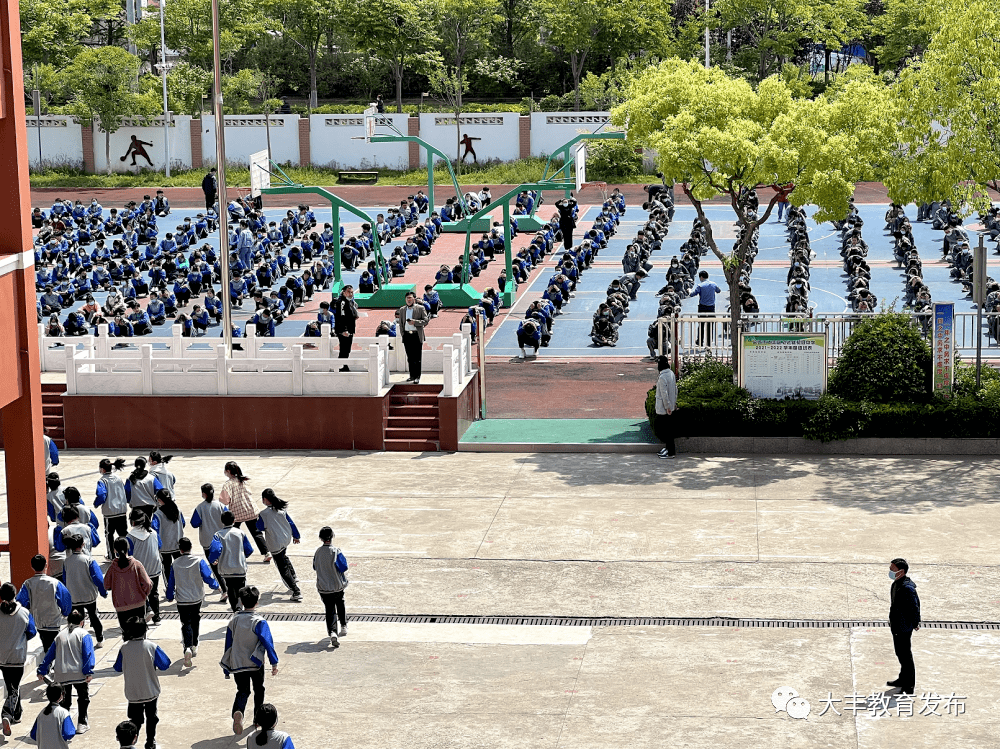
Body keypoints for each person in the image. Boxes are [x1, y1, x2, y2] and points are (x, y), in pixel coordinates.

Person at [221, 586, 279, 736]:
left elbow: (228, 645)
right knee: (259, 690)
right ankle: (257, 719)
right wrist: (274, 662)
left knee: (243, 690)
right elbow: (268, 642)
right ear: (257, 602)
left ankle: (238, 712)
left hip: (238, 663)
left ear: (241, 601)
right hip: (255, 663)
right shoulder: (259, 622)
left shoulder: (233, 621)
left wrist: (226, 666)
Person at [113, 617, 171, 749]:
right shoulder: (151, 646)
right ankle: (150, 742)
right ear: (145, 630)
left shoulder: (124, 648)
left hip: (133, 693)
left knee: (135, 721)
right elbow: (165, 664)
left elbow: (117, 667)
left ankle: (129, 743)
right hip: (150, 690)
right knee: (151, 718)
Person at [36, 610, 94, 734]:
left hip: (61, 674)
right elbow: (88, 654)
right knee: (83, 698)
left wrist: (42, 670)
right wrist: (88, 671)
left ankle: (64, 725)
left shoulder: (59, 635)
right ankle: (82, 723)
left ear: (68, 622)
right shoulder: (84, 634)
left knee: (64, 701)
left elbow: (49, 655)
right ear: (82, 622)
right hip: (79, 673)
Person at [166, 537, 219, 667]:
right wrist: (215, 585)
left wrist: (169, 596)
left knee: (186, 623)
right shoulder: (199, 561)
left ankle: (187, 647)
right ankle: (194, 644)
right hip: (196, 598)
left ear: (180, 549)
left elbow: (171, 582)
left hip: (182, 600)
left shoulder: (175, 564)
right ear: (191, 547)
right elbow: (207, 577)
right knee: (195, 620)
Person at [0, 583, 37, 734]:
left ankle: (17, 713)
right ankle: (6, 714)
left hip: (2, 657)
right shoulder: (24, 613)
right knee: (13, 688)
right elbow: (32, 632)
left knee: (12, 687)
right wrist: (20, 639)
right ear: (15, 594)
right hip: (18, 656)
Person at [17, 555, 72, 655]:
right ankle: (51, 664)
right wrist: (65, 612)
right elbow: (65, 599)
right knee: (53, 645)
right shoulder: (55, 583)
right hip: (54, 620)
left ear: (32, 567)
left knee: (46, 643)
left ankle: (49, 664)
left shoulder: (28, 584)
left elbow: (21, 602)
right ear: (46, 565)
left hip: (38, 620)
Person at [255, 490, 302, 603]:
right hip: (285, 539)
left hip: (275, 543)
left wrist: (256, 519)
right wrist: (296, 536)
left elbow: (260, 527)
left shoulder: (263, 514)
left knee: (282, 568)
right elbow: (291, 523)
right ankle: (294, 575)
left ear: (265, 500)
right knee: (283, 556)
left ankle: (296, 591)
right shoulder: (282, 509)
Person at [61, 535, 106, 646]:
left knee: (76, 620)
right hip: (89, 595)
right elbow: (98, 578)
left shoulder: (66, 561)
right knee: (93, 617)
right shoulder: (89, 560)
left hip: (74, 596)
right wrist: (103, 591)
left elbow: (64, 579)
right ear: (83, 545)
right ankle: (100, 639)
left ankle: (76, 641)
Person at [221, 461, 269, 559]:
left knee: (233, 533)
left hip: (236, 513)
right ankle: (266, 552)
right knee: (256, 533)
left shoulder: (228, 484)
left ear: (228, 471)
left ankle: (239, 552)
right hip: (250, 510)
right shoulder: (244, 480)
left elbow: (224, 501)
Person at [191, 483, 230, 602]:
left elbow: (194, 523)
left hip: (208, 542)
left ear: (203, 494)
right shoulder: (221, 506)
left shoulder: (200, 508)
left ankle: (224, 590)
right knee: (225, 565)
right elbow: (229, 519)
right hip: (222, 540)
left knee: (215, 567)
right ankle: (229, 587)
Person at [209, 511, 255, 612]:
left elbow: (215, 550)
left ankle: (235, 608)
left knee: (230, 588)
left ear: (222, 522)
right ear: (234, 521)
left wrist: (213, 560)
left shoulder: (218, 535)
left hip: (226, 568)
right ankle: (240, 606)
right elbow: (249, 550)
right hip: (239, 567)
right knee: (241, 588)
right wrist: (242, 556)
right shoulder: (240, 533)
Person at [887, 557, 920, 695]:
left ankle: (909, 685)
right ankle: (902, 679)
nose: (889, 571)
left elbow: (915, 606)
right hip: (896, 625)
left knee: (906, 656)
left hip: (904, 626)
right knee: (900, 653)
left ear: (901, 571)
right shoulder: (896, 584)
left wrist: (915, 622)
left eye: (892, 569)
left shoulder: (907, 588)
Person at [314, 526, 348, 648]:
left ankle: (332, 632)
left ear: (321, 538)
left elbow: (314, 566)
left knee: (329, 609)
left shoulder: (318, 552)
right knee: (340, 603)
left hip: (323, 587)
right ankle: (343, 626)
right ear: (332, 536)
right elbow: (343, 567)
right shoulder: (336, 551)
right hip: (337, 586)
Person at [127, 509, 163, 623]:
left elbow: (129, 553)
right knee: (154, 592)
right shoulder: (153, 532)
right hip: (154, 567)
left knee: (140, 591)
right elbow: (160, 545)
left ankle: (147, 609)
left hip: (140, 569)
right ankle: (157, 617)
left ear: (132, 522)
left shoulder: (130, 536)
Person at [95, 457, 130, 559]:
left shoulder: (102, 481)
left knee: (109, 535)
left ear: (103, 469)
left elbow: (101, 495)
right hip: (121, 510)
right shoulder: (118, 478)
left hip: (109, 512)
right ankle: (126, 553)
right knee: (123, 534)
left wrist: (96, 503)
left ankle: (111, 555)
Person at [396, 291, 428, 383]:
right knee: (410, 357)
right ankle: (412, 375)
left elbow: (426, 320)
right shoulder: (402, 309)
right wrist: (403, 334)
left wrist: (415, 322)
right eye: (407, 298)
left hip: (416, 335)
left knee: (417, 357)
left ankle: (417, 376)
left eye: (410, 298)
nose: (408, 300)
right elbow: (401, 323)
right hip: (407, 335)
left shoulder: (420, 308)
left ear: (414, 298)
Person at [689, 270, 721, 347]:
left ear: (701, 277)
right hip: (711, 307)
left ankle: (700, 341)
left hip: (702, 307)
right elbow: (718, 290)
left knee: (701, 324)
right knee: (710, 324)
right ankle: (709, 342)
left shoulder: (700, 285)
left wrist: (689, 291)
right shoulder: (713, 284)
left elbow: (693, 294)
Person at [654, 356, 677, 459]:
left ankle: (670, 452)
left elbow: (664, 394)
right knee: (669, 429)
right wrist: (673, 404)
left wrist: (667, 407)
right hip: (670, 406)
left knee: (666, 430)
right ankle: (668, 449)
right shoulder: (671, 373)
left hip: (664, 409)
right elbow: (675, 390)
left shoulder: (662, 377)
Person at [335, 285, 358, 372]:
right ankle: (341, 366)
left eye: (352, 292)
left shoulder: (350, 301)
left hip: (350, 329)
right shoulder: (342, 302)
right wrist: (344, 330)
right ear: (344, 292)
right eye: (349, 292)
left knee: (347, 349)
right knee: (344, 349)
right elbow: (341, 317)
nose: (351, 294)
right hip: (344, 331)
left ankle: (344, 365)